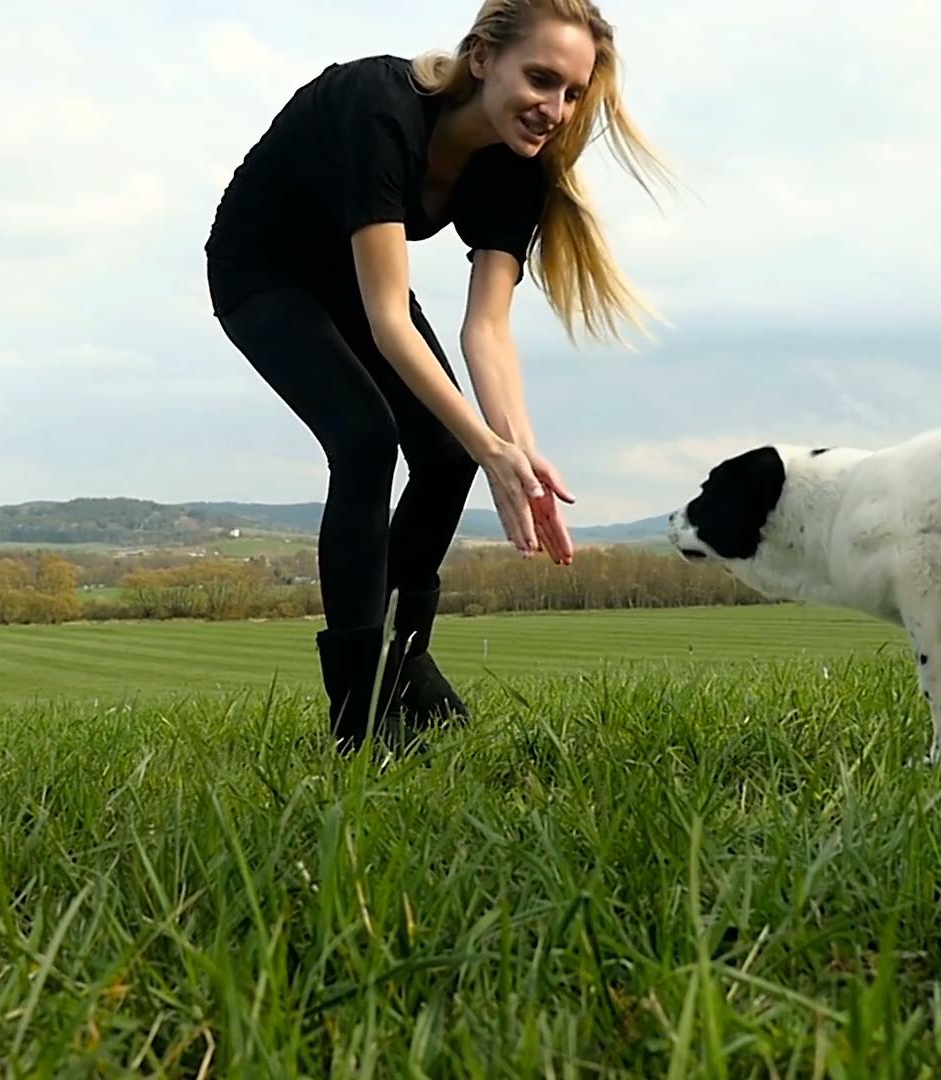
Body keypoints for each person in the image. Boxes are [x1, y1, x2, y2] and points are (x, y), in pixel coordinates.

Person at [204, 0, 671, 752]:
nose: (555, 110)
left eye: (573, 93)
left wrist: (517, 457)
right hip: (261, 271)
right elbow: (391, 321)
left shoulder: (518, 169)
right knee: (365, 439)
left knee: (449, 453)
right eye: (541, 79)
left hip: (349, 278)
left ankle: (405, 663)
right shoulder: (379, 107)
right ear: (482, 57)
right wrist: (493, 446)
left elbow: (486, 329)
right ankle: (358, 719)